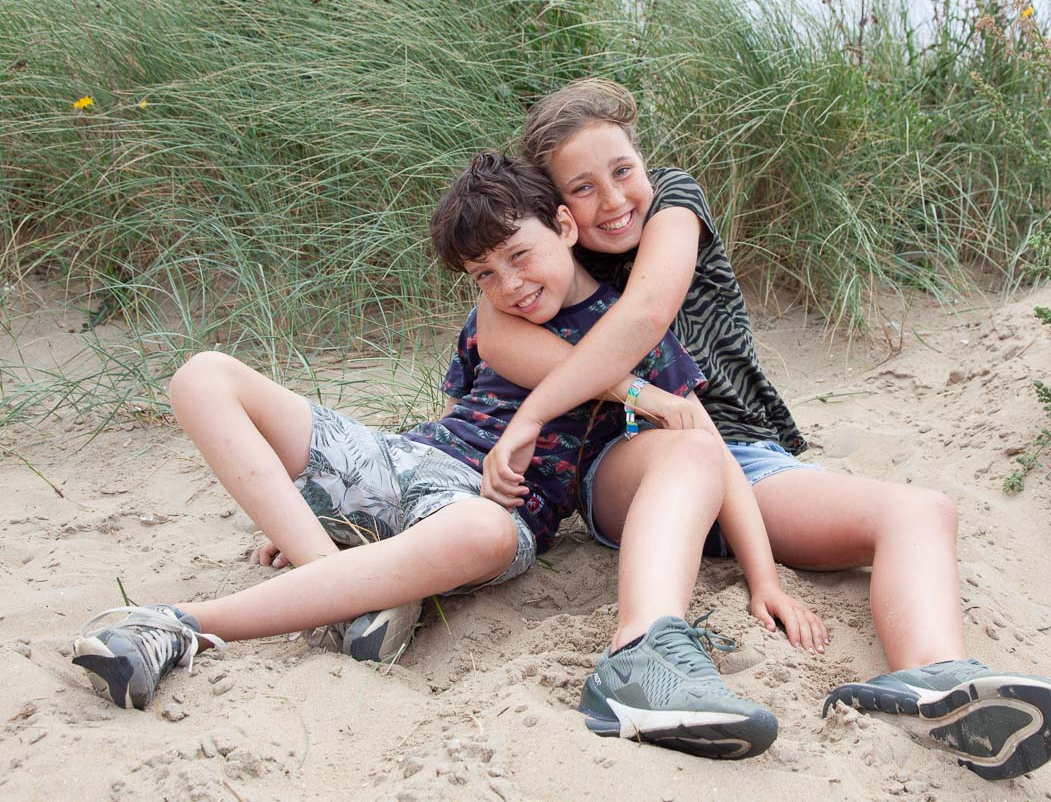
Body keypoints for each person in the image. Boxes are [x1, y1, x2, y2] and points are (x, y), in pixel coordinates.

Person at [70, 152, 804, 760]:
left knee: (480, 528)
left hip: (497, 510)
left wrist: (764, 575)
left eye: (520, 257)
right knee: (203, 375)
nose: (511, 286)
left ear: (563, 226)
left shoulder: (633, 335)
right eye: (486, 274)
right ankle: (335, 578)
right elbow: (457, 415)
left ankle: (180, 622)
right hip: (411, 462)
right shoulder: (495, 319)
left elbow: (709, 453)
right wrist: (314, 504)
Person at [474, 79, 1051, 781]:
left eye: (622, 170)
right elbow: (495, 334)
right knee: (688, 451)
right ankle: (640, 656)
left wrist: (765, 572)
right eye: (582, 188)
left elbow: (646, 312)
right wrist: (618, 398)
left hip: (749, 459)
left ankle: (936, 683)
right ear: (557, 211)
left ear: (643, 161)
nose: (612, 200)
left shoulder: (672, 201)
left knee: (921, 509)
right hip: (633, 458)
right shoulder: (542, 251)